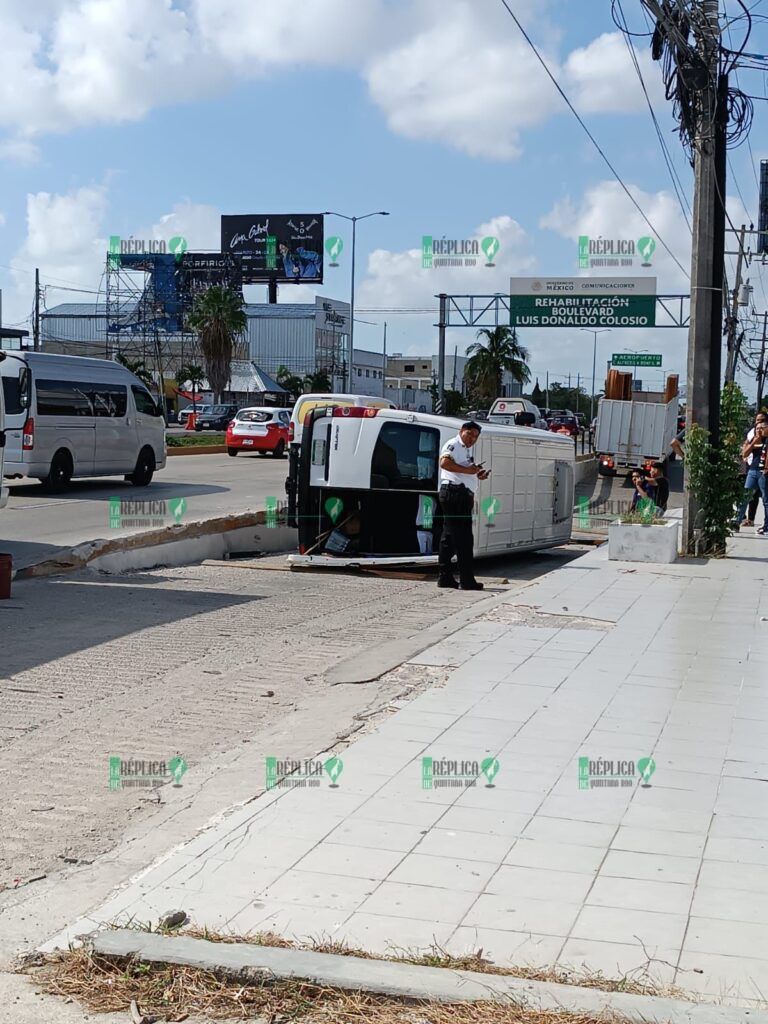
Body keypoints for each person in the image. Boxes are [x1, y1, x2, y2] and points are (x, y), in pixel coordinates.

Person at [437, 420, 489, 590]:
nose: (472, 439)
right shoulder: (454, 444)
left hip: (458, 493)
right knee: (464, 539)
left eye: (475, 437)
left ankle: (445, 577)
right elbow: (444, 463)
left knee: (449, 537)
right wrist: (469, 472)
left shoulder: (466, 450)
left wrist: (476, 474)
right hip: (455, 494)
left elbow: (464, 468)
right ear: (462, 431)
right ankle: (467, 580)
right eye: (470, 434)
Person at [735, 421, 768, 532]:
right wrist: (754, 442)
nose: (759, 430)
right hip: (753, 470)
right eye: (757, 428)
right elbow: (744, 454)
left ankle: (766, 524)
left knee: (765, 499)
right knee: (745, 496)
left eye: (762, 428)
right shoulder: (754, 440)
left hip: (764, 472)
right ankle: (737, 521)